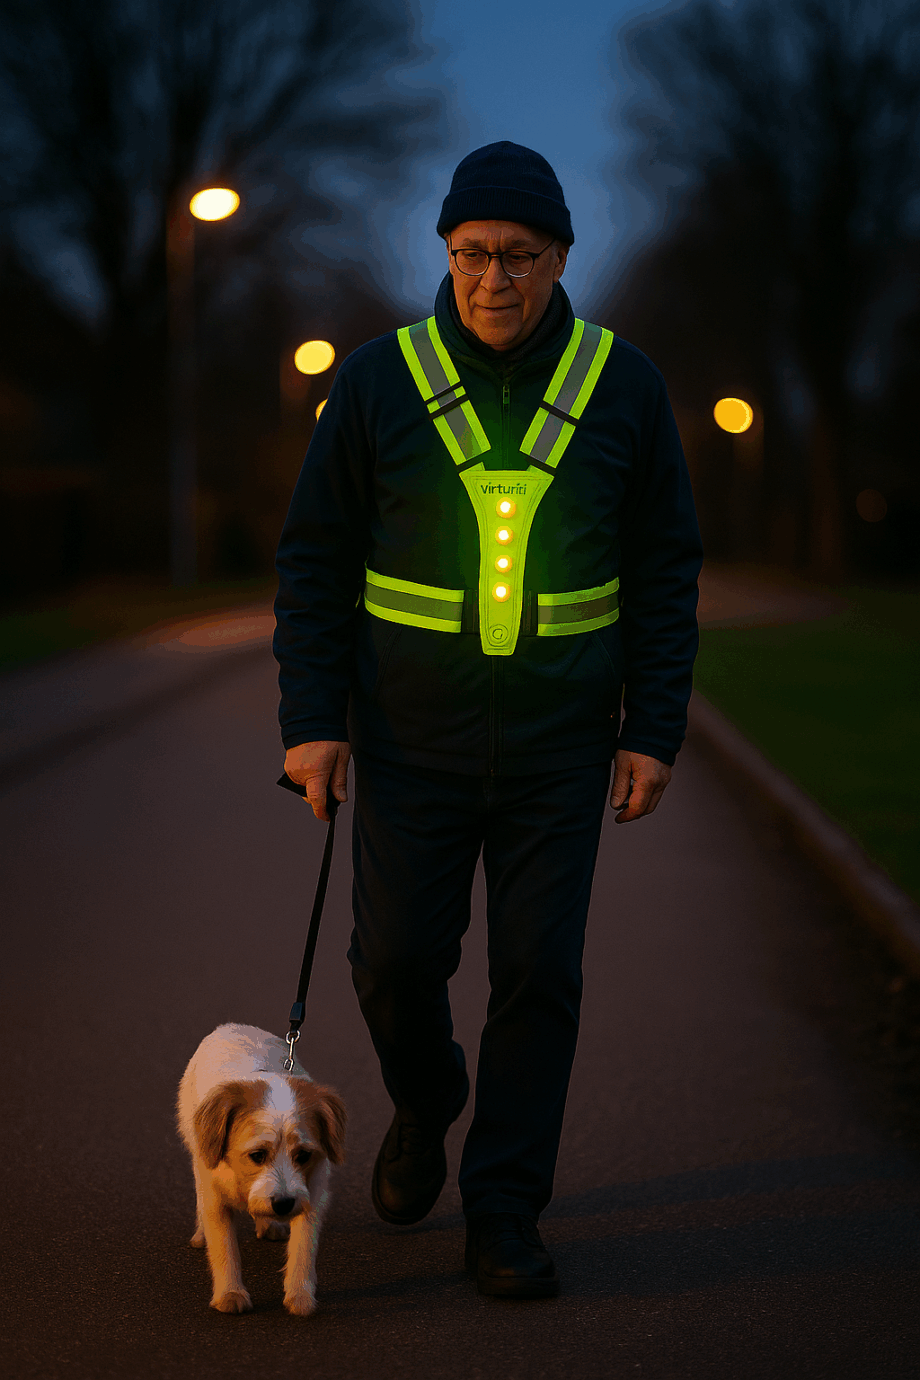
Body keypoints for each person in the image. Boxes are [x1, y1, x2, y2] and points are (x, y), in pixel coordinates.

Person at [274, 142, 702, 1298]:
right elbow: (315, 561)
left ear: (561, 258)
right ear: (445, 255)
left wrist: (649, 727)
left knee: (537, 977)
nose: (493, 280)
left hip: (561, 751)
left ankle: (504, 1210)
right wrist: (313, 719)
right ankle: (425, 1101)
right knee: (394, 962)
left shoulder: (626, 386)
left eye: (518, 257)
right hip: (411, 747)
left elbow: (664, 568)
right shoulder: (374, 381)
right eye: (471, 255)